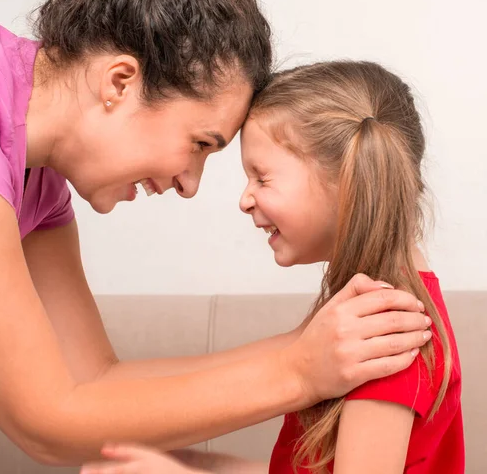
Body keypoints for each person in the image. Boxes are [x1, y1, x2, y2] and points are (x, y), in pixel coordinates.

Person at [0, 0, 430, 465]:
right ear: (120, 82)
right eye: (200, 143)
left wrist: (309, 346)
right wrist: (300, 371)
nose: (190, 184)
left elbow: (92, 384)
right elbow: (44, 421)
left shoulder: (35, 182)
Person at [85, 61, 463, 474]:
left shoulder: (386, 334)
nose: (245, 200)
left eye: (261, 178)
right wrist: (202, 465)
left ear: (349, 185)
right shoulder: (373, 312)